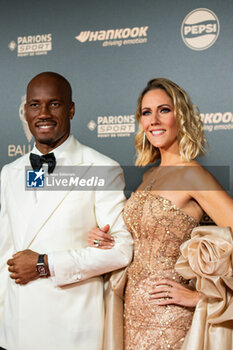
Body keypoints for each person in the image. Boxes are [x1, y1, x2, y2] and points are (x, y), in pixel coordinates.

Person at [88, 78, 233, 349]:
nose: (154, 120)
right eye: (146, 112)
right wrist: (108, 240)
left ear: (181, 116)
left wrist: (202, 297)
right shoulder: (148, 175)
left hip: (171, 322)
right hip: (130, 317)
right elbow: (140, 244)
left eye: (164, 110)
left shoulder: (193, 175)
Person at [0, 72, 133, 350]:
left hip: (72, 328)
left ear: (71, 109)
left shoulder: (100, 167)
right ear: (25, 112)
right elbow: (5, 252)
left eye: (55, 104)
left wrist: (43, 264)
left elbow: (121, 249)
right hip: (17, 327)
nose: (44, 113)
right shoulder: (11, 172)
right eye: (35, 105)